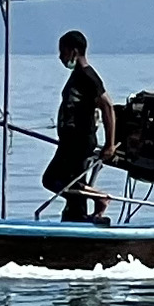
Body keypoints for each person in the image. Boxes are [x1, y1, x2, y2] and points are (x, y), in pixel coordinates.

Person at [44, 27, 112, 224]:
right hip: (69, 141)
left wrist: (110, 144)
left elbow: (107, 106)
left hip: (80, 142)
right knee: (71, 187)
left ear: (74, 51)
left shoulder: (87, 75)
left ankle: (99, 198)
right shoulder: (76, 76)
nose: (60, 57)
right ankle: (77, 219)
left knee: (51, 179)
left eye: (62, 51)